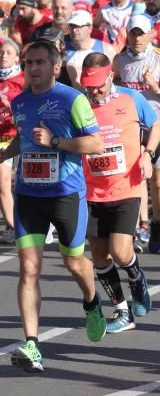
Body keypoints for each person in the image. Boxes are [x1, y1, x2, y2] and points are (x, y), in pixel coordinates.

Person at [2, 40, 106, 372]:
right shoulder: (19, 102)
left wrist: (57, 141)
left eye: (39, 62)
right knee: (29, 268)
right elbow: (22, 137)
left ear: (55, 66)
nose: (32, 68)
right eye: (27, 62)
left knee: (74, 262)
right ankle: (32, 343)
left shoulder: (71, 99)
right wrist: (3, 153)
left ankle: (92, 301)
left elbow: (96, 142)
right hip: (29, 196)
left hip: (66, 194)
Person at [80, 52, 160, 332]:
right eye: (89, 84)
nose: (94, 89)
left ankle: (137, 278)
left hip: (126, 188)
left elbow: (157, 125)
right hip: (91, 192)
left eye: (99, 83)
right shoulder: (79, 105)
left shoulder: (131, 99)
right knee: (100, 257)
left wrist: (148, 153)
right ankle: (121, 311)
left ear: (111, 76)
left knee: (120, 250)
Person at [114, 14, 160, 254]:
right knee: (137, 177)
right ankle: (139, 226)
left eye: (142, 33)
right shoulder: (119, 60)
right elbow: (113, 87)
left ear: (151, 33)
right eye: (133, 32)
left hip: (158, 126)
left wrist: (157, 87)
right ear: (128, 34)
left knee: (157, 181)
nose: (138, 37)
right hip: (131, 128)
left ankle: (156, 222)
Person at [0, 39, 24, 243]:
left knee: (27, 182)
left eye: (8, 52)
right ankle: (13, 226)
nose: (3, 55)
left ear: (17, 57)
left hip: (24, 135)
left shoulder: (25, 79)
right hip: (1, 137)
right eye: (1, 52)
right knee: (3, 182)